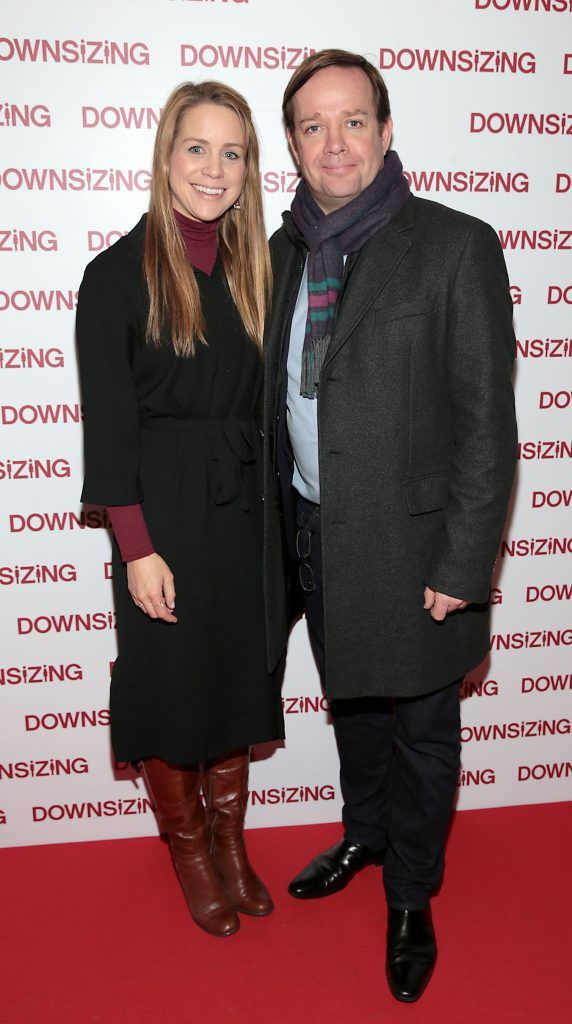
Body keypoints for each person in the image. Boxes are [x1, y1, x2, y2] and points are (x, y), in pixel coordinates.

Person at [262, 50, 517, 1001]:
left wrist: (465, 561)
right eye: (313, 126)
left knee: (423, 727)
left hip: (417, 554)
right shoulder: (285, 248)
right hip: (319, 534)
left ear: (387, 128)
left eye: (353, 121)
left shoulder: (455, 244)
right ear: (292, 142)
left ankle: (412, 894)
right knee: (354, 709)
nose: (334, 143)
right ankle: (365, 834)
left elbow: (488, 426)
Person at [77, 81, 284, 939]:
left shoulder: (257, 267)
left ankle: (233, 842)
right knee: (170, 690)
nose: (214, 167)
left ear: (249, 167)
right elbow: (111, 427)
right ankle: (191, 848)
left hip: (245, 511)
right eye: (197, 147)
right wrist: (135, 548)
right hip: (161, 518)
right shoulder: (116, 276)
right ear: (166, 156)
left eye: (232, 151)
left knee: (237, 680)